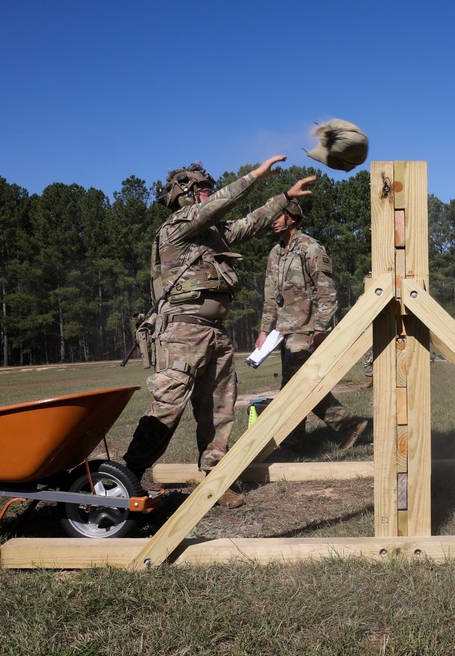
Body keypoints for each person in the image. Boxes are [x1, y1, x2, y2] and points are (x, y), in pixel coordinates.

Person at [123, 156, 315, 508]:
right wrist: (257, 174)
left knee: (218, 410)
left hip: (215, 332)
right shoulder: (176, 228)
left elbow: (250, 223)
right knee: (168, 405)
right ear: (184, 197)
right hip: (183, 331)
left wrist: (286, 196)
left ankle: (215, 477)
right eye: (202, 189)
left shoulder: (211, 236)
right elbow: (227, 202)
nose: (210, 193)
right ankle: (128, 475)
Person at [255, 202, 370, 450]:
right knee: (297, 387)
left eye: (279, 216)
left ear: (292, 219)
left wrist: (319, 330)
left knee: (295, 387)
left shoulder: (310, 248)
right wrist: (264, 331)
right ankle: (316, 434)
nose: (273, 220)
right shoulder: (275, 253)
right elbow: (269, 297)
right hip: (283, 332)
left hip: (306, 330)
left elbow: (327, 293)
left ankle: (305, 438)